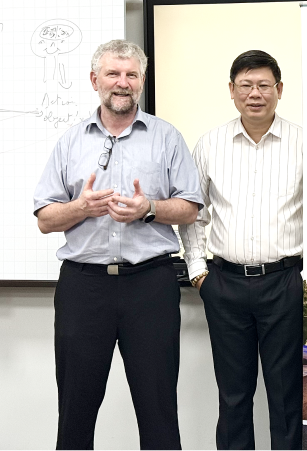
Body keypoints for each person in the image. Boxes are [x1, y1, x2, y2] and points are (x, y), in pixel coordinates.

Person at [33, 39, 203, 450]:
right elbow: (45, 219)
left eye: (131, 75)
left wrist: (149, 208)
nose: (122, 82)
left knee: (158, 409)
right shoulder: (71, 141)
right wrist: (80, 207)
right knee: (75, 410)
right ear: (95, 80)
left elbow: (190, 208)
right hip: (83, 288)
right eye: (113, 74)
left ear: (141, 81)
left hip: (150, 286)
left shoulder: (166, 137)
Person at [179, 50, 303, 451]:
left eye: (264, 85)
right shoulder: (210, 144)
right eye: (246, 85)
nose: (255, 94)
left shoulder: (305, 144)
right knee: (233, 397)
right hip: (225, 285)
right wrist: (198, 271)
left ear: (279, 90)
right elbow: (193, 213)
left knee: (286, 396)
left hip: (286, 284)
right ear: (231, 90)